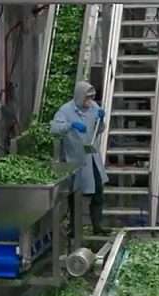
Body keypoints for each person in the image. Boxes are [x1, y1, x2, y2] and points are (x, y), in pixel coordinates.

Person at [51, 81, 108, 235]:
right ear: (79, 96)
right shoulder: (65, 110)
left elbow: (100, 129)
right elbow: (54, 129)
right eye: (86, 98)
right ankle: (74, 228)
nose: (89, 102)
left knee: (98, 192)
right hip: (74, 159)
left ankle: (98, 226)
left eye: (91, 98)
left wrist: (101, 120)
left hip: (92, 156)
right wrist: (70, 125)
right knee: (75, 195)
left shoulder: (94, 107)